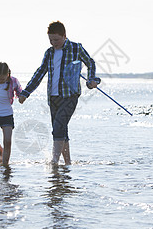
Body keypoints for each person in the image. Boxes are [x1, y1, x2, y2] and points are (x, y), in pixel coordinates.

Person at [19, 21, 100, 165]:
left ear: (64, 36)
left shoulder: (76, 48)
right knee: (62, 130)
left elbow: (90, 63)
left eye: (56, 39)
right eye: (50, 40)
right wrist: (26, 92)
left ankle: (54, 160)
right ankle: (67, 163)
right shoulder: (49, 52)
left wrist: (91, 79)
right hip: (53, 97)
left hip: (70, 96)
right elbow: (40, 73)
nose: (53, 43)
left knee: (58, 127)